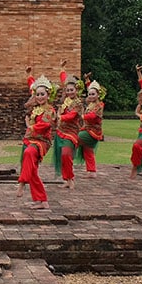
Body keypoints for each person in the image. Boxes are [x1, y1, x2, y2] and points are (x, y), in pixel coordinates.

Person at [17, 69, 55, 210]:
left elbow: (45, 125)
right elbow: (32, 86)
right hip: (30, 139)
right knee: (32, 169)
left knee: (28, 153)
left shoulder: (49, 110)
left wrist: (30, 126)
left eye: (42, 94)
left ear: (48, 95)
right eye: (37, 94)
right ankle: (42, 201)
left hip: (41, 142)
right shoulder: (36, 108)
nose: (39, 97)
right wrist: (29, 76)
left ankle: (21, 184)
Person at [53, 60, 83, 190]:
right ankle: (66, 179)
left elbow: (72, 116)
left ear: (76, 90)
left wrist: (60, 117)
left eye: (72, 90)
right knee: (62, 156)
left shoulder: (78, 103)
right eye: (68, 90)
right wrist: (62, 68)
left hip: (71, 133)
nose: (70, 92)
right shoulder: (66, 101)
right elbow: (64, 80)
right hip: (61, 131)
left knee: (66, 154)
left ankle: (71, 179)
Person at [76, 75, 106, 178]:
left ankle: (66, 161)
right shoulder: (91, 104)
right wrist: (87, 81)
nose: (91, 96)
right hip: (87, 129)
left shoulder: (99, 105)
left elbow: (93, 116)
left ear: (98, 95)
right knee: (87, 149)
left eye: (93, 94)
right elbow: (90, 89)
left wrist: (82, 116)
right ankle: (92, 171)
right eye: (89, 94)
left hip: (93, 132)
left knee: (74, 140)